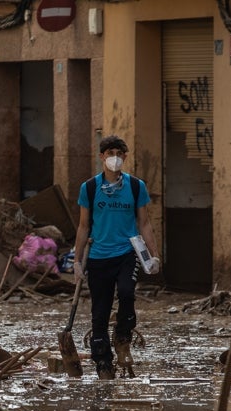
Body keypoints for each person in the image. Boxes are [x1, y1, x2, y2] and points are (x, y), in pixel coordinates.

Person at [74, 135, 160, 380]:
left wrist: (155, 255)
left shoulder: (135, 186)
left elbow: (144, 223)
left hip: (127, 252)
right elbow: (83, 226)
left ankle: (123, 337)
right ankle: (102, 361)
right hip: (99, 256)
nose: (114, 157)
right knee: (99, 312)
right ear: (101, 156)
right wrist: (77, 262)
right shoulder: (89, 188)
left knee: (126, 292)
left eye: (119, 153)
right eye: (110, 152)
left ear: (125, 157)